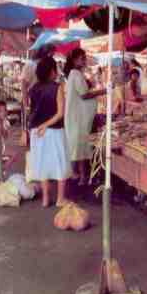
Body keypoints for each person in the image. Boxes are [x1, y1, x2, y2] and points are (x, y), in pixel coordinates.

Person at [27, 56, 71, 207]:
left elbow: (31, 110)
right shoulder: (57, 87)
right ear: (52, 71)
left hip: (36, 132)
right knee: (60, 163)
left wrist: (39, 126)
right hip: (53, 131)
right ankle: (60, 199)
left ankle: (45, 199)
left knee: (43, 163)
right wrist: (46, 125)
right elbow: (61, 113)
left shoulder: (33, 88)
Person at [64, 48, 106, 185]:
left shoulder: (74, 74)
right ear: (75, 60)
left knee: (78, 147)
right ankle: (79, 175)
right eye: (82, 58)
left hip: (75, 117)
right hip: (77, 118)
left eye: (84, 58)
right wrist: (102, 91)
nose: (84, 60)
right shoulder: (75, 74)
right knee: (79, 147)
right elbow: (84, 94)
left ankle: (79, 175)